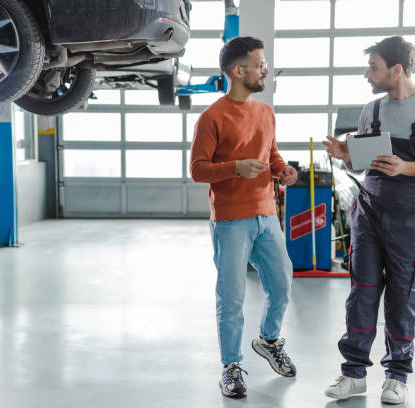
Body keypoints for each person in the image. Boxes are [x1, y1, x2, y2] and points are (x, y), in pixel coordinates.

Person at [323, 36, 415, 405]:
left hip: (409, 215)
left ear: (396, 70)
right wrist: (344, 156)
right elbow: (361, 164)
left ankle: (397, 375)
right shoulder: (372, 109)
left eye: (374, 68)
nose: (368, 75)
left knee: (402, 294)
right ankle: (353, 374)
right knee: (361, 292)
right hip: (369, 212)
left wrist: (407, 167)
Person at [189, 36, 299, 399]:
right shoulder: (211, 118)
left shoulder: (265, 112)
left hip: (267, 216)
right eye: (259, 64)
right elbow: (198, 170)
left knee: (282, 284)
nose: (265, 70)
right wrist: (235, 168)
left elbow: (273, 154)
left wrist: (283, 171)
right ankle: (231, 366)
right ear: (238, 71)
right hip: (231, 222)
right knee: (231, 297)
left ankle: (268, 340)